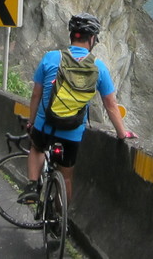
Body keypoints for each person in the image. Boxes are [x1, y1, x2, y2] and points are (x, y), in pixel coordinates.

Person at [17, 12, 137, 205]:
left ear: (72, 35)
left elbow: (35, 95)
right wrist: (122, 134)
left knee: (37, 148)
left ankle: (32, 186)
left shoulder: (50, 58)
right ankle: (60, 221)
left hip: (45, 124)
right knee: (66, 178)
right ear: (92, 39)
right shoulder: (98, 67)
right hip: (72, 131)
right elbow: (111, 105)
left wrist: (32, 122)